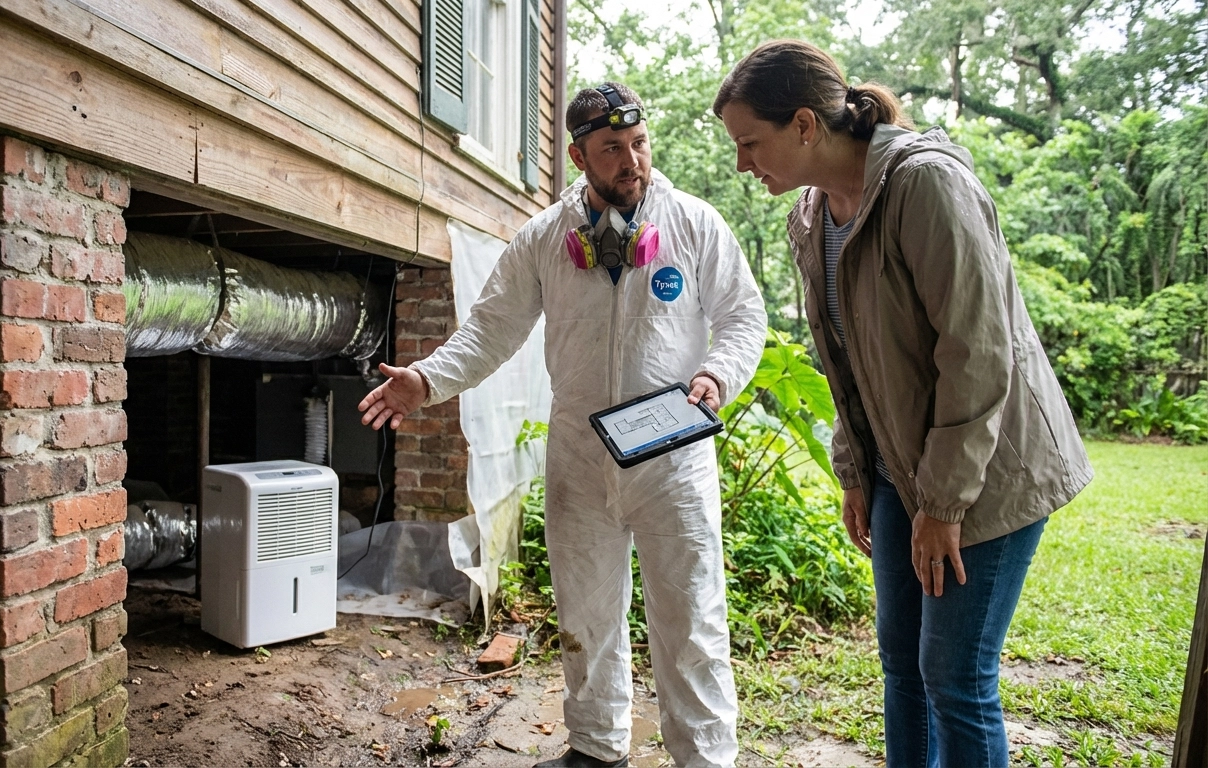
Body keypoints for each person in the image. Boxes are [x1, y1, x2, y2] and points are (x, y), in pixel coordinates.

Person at [358, 82, 767, 768]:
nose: (631, 161)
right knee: (586, 615)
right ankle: (597, 748)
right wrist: (426, 379)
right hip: (580, 454)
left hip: (673, 458)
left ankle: (705, 759)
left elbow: (743, 317)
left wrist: (718, 373)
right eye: (612, 149)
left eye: (639, 144)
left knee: (692, 621)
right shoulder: (544, 239)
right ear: (580, 156)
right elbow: (489, 331)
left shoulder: (696, 224)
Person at [712, 40, 1093, 768]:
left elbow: (979, 353)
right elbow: (843, 359)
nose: (742, 163)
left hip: (986, 468)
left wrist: (944, 505)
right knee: (902, 667)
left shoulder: (926, 184)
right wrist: (855, 472)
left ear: (802, 124)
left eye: (749, 143)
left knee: (955, 676)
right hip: (898, 470)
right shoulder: (811, 217)